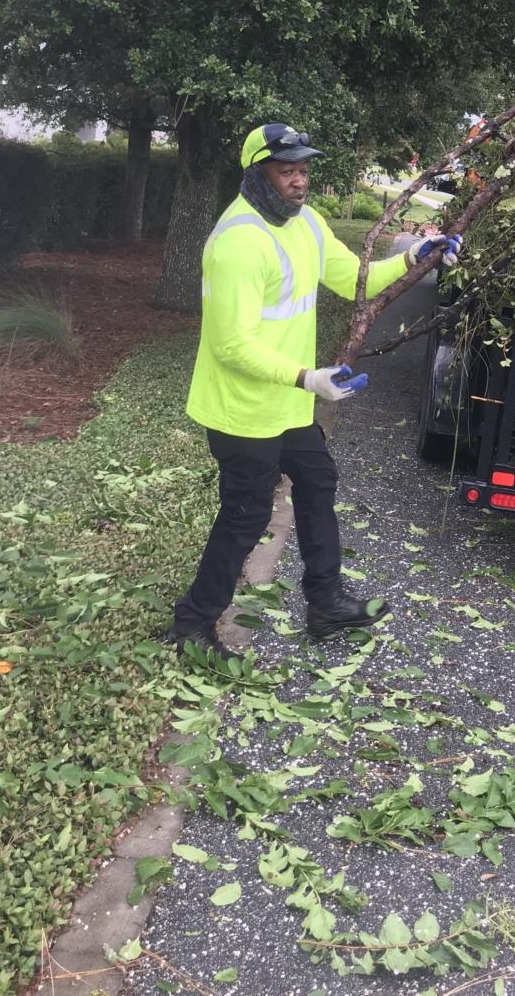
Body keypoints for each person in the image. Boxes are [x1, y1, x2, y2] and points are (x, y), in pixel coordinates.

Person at [172, 122, 461, 659]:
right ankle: (191, 624)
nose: (300, 181)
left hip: (285, 404)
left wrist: (417, 255)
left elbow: (354, 278)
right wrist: (309, 378)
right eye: (287, 171)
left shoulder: (304, 222)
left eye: (303, 169)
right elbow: (231, 344)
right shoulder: (238, 242)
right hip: (241, 410)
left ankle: (325, 604)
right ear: (256, 175)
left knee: (317, 479)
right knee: (246, 515)